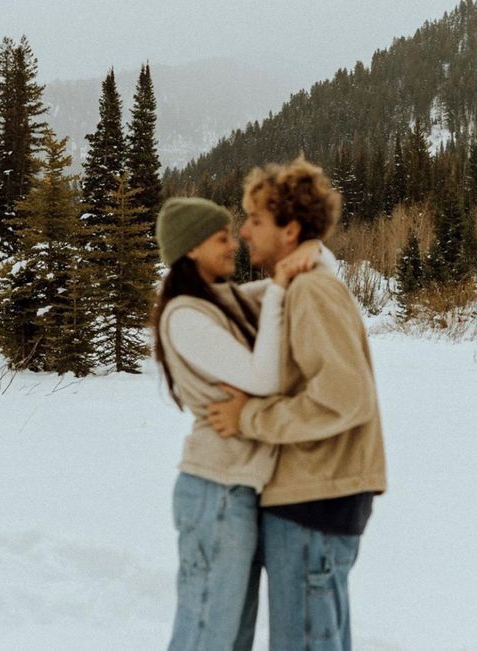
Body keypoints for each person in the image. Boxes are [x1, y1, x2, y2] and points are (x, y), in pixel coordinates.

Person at [207, 157, 387, 651]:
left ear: (289, 230)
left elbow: (344, 398)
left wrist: (249, 417)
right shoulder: (297, 286)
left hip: (315, 500)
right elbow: (218, 309)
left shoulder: (311, 292)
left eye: (256, 221)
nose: (243, 232)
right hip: (310, 497)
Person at [153, 195, 332, 651]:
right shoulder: (185, 316)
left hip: (239, 490)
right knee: (206, 634)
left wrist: (312, 251)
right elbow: (263, 375)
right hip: (214, 489)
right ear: (191, 247)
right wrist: (276, 290)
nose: (234, 244)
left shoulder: (225, 300)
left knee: (233, 637)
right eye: (221, 238)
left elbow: (298, 281)